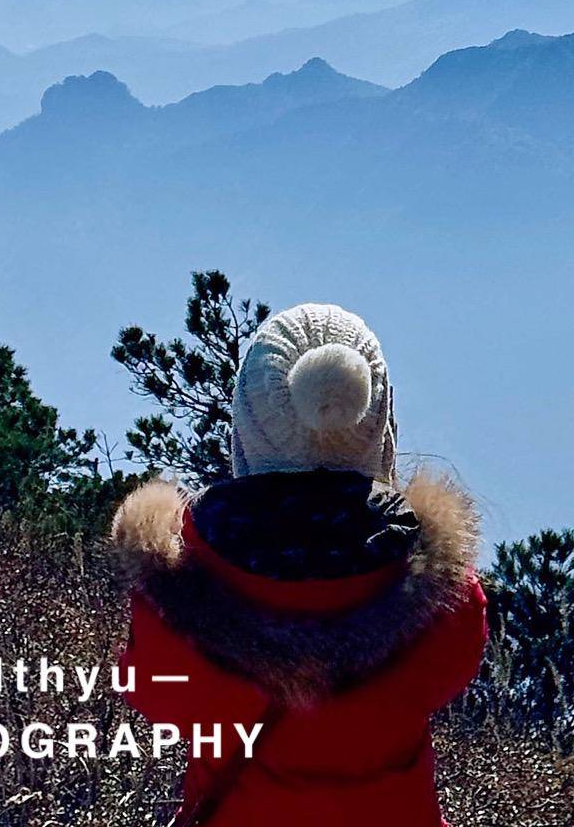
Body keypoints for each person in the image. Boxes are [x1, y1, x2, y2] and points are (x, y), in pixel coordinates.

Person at [111, 303, 486, 826]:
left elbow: (147, 691)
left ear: (248, 425)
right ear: (379, 422)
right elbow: (451, 672)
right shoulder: (444, 593)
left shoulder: (175, 579)